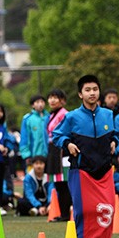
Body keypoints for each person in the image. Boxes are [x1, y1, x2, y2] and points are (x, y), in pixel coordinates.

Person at [52, 75, 118, 238]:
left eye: (95, 89)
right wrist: (68, 144)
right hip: (81, 170)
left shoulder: (108, 115)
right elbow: (57, 135)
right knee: (83, 210)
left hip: (105, 170)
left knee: (109, 207)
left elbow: (115, 134)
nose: (92, 93)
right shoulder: (72, 117)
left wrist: (114, 142)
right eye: (87, 90)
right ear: (80, 94)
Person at [45, 89, 70, 220]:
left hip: (62, 150)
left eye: (55, 98)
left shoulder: (64, 114)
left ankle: (67, 214)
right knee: (58, 184)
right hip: (53, 150)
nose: (52, 100)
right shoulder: (51, 115)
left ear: (63, 101)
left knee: (64, 183)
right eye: (50, 98)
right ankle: (63, 213)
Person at [19, 95, 49, 169]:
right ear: (33, 105)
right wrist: (26, 155)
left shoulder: (49, 117)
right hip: (33, 155)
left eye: (42, 102)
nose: (40, 104)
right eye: (37, 102)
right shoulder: (28, 119)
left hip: (48, 155)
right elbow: (24, 138)